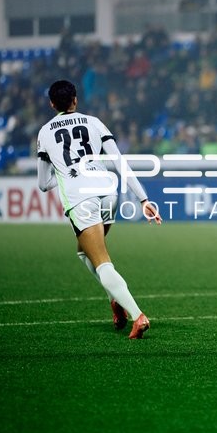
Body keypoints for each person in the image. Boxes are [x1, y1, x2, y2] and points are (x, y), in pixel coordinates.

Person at [36, 80, 162, 338]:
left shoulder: (45, 132)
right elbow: (120, 162)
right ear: (75, 100)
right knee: (85, 253)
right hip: (108, 192)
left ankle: (138, 316)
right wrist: (143, 199)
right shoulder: (94, 122)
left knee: (102, 262)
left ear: (51, 104)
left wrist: (62, 176)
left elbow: (42, 183)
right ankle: (116, 299)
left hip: (82, 199)